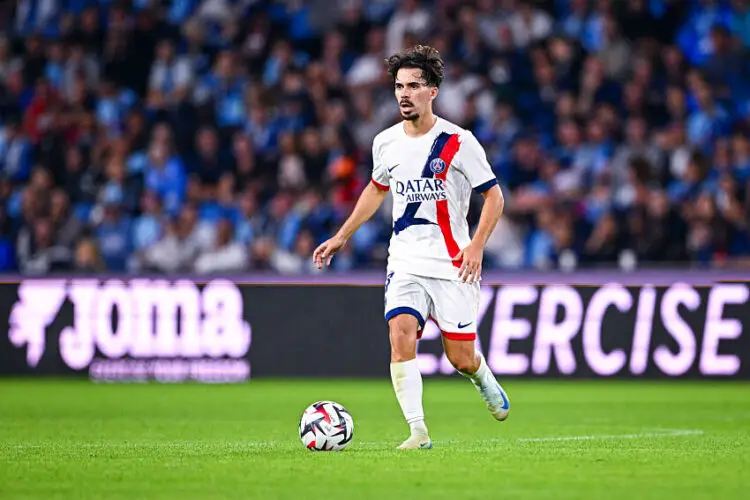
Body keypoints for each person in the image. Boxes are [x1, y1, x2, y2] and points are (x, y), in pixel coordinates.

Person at [313, 45, 510, 449]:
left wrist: (475, 246)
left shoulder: (459, 141)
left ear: (432, 91)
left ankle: (482, 376)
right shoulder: (385, 142)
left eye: (414, 86)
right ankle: (417, 431)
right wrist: (342, 235)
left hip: (453, 263)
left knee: (460, 358)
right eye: (399, 86)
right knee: (400, 332)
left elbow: (495, 197)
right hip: (404, 259)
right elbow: (375, 188)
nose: (404, 94)